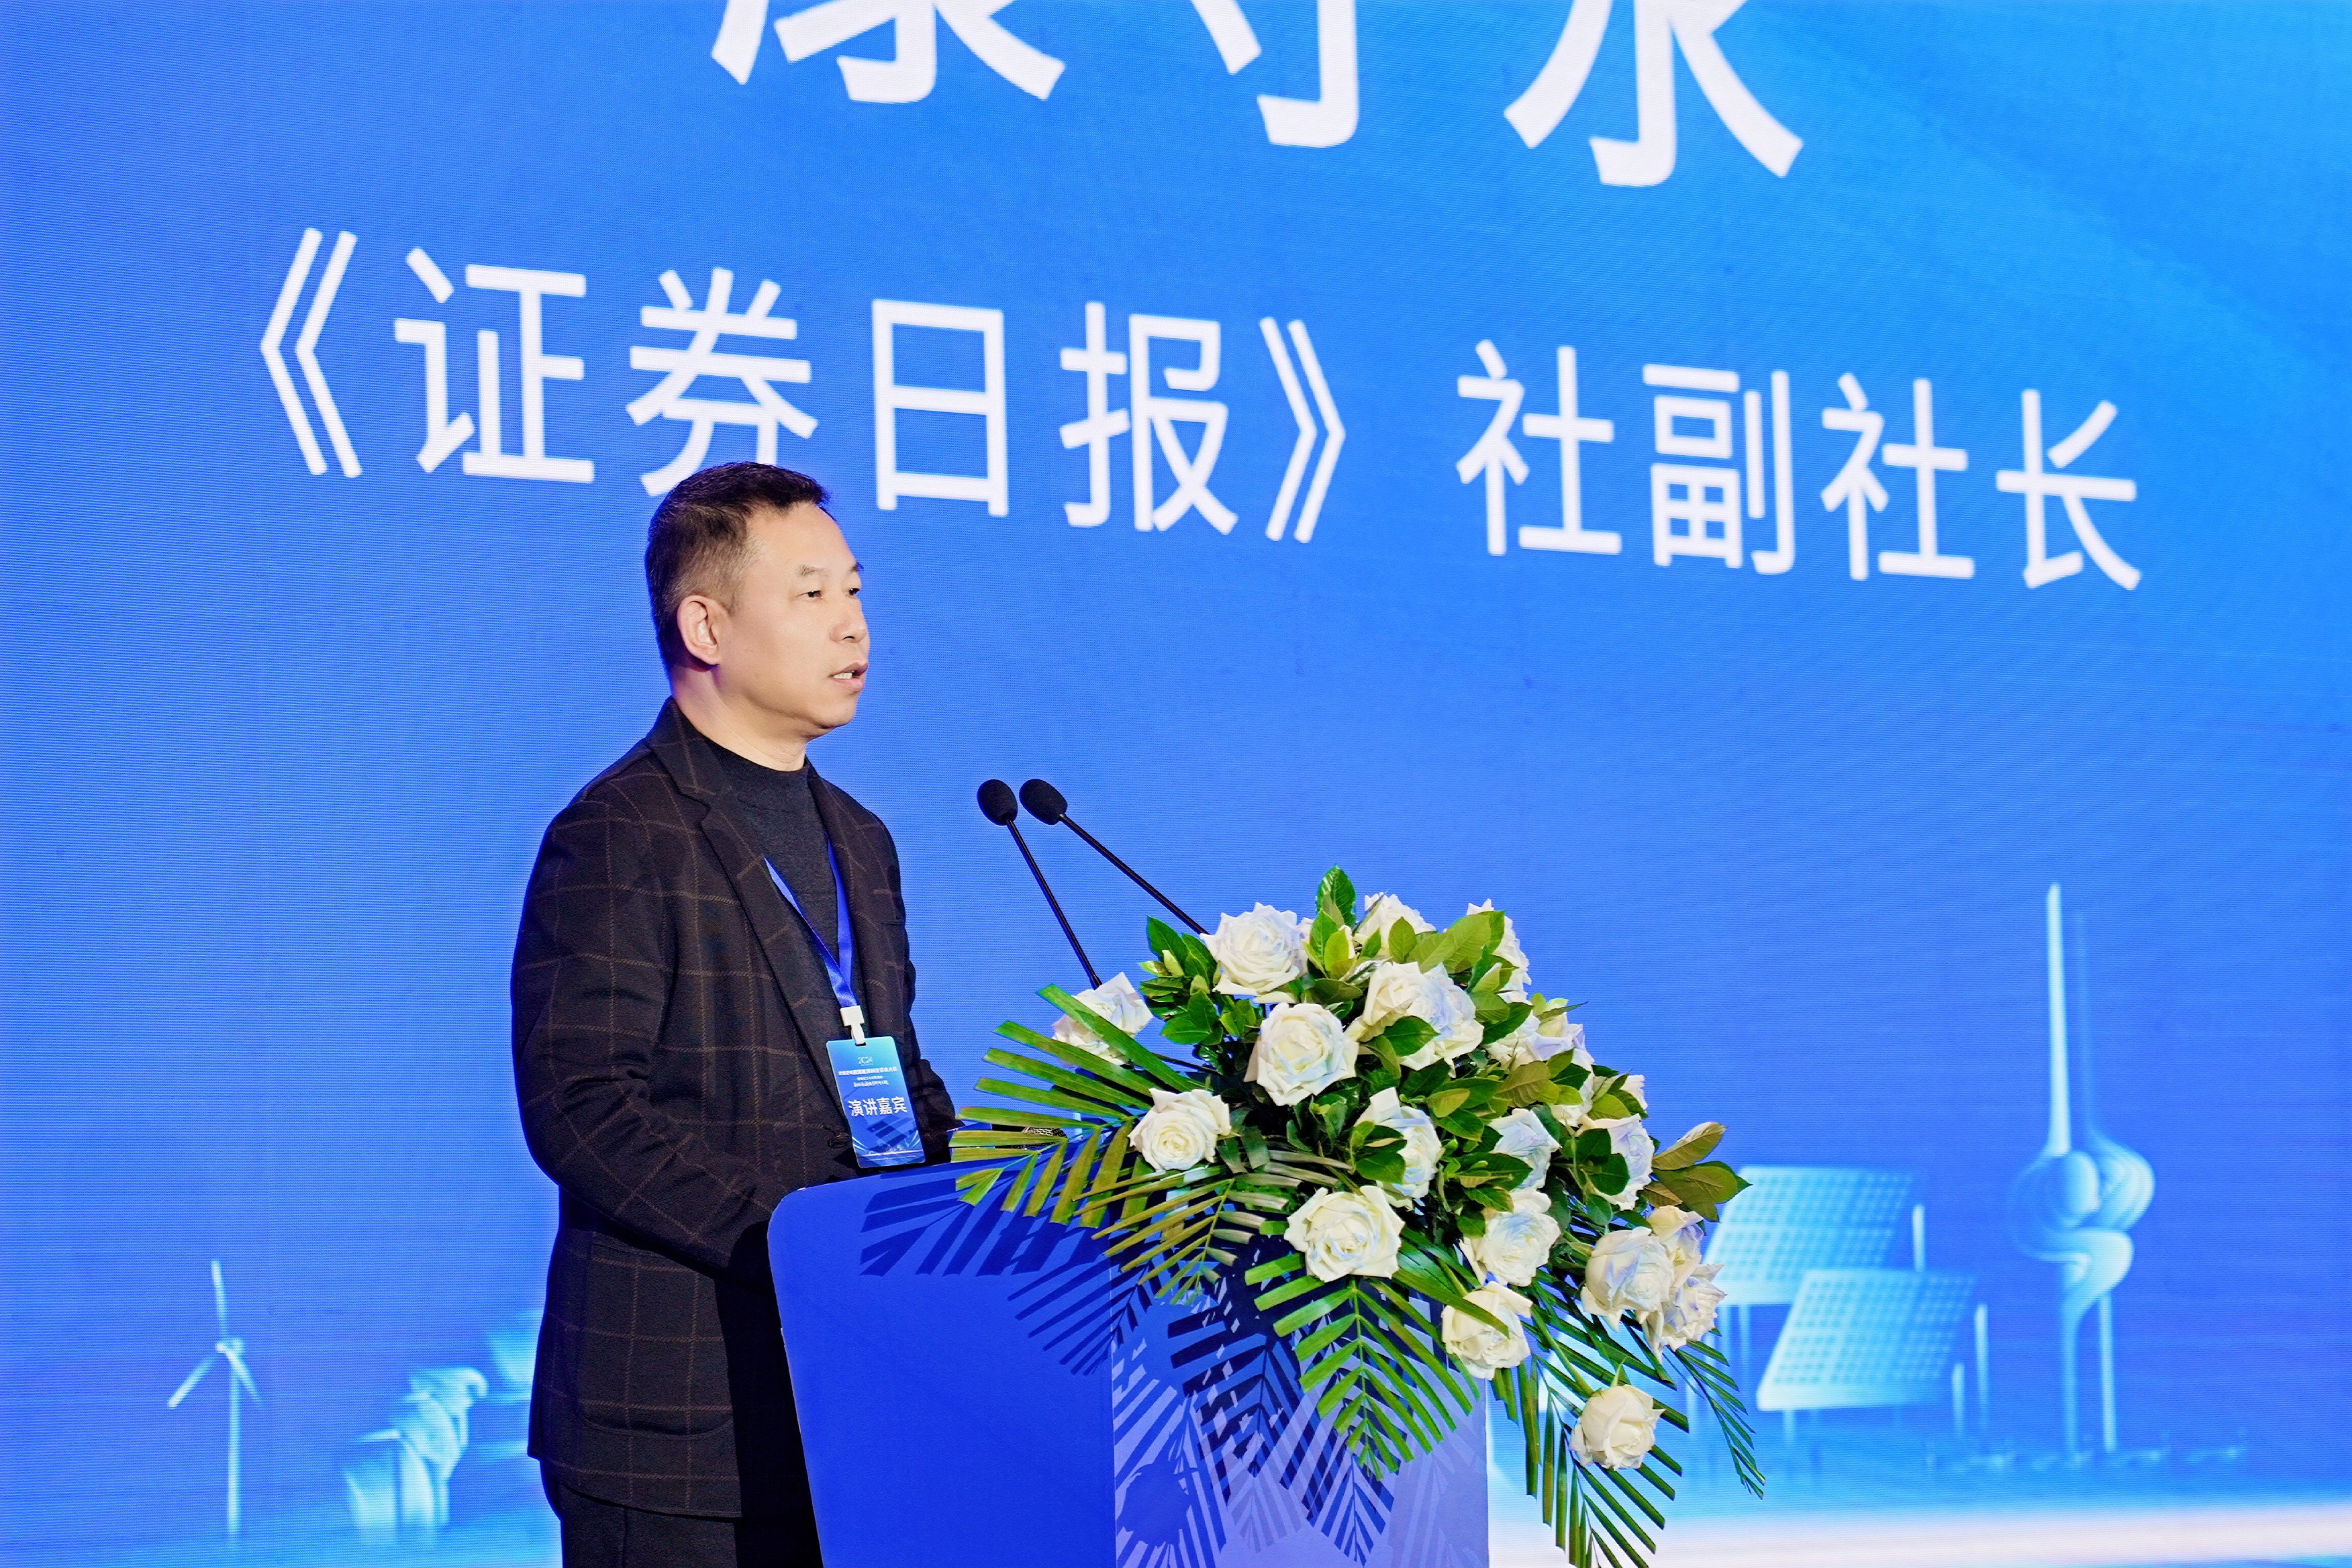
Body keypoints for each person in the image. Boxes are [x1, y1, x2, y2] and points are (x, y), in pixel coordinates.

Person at [512, 462, 957, 1567]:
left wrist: (981, 1193)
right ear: (705, 625)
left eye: (854, 592)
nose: (852, 625)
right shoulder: (619, 832)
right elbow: (582, 1106)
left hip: (855, 1401)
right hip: (680, 1424)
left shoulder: (862, 838)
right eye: (812, 596)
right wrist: (800, 1248)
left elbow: (889, 1067)